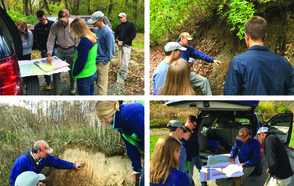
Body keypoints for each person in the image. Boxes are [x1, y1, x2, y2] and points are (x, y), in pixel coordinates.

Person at [224, 16, 294, 95]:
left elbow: (230, 96)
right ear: (265, 36)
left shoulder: (238, 62)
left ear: (246, 36)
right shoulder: (284, 63)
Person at [95, 101, 144, 186]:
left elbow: (145, 139)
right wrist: (137, 168)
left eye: (101, 120)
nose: (103, 122)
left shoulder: (129, 116)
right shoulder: (119, 121)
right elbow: (130, 145)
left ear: (106, 115)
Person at [9, 140, 84, 185]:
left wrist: (73, 165)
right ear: (39, 152)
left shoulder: (45, 158)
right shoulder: (22, 161)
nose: (48, 153)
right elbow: (13, 181)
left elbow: (57, 163)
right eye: (46, 152)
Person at [46, 9, 79, 95]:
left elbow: (77, 39)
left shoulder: (73, 24)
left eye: (64, 20)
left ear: (68, 17)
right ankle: (57, 90)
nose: (62, 22)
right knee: (56, 70)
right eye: (60, 20)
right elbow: (50, 40)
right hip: (59, 50)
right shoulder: (55, 26)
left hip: (71, 49)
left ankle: (73, 87)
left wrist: (76, 53)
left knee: (72, 70)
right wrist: (49, 54)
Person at [88, 11, 115, 95]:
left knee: (102, 86)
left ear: (101, 20)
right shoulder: (95, 30)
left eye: (94, 21)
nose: (92, 23)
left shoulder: (108, 32)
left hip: (102, 63)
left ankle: (103, 104)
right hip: (94, 61)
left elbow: (111, 51)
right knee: (91, 82)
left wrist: (104, 62)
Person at [70, 18, 97, 95]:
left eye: (72, 30)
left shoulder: (84, 41)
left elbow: (82, 62)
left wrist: (74, 72)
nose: (72, 32)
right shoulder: (93, 37)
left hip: (84, 75)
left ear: (77, 30)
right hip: (92, 72)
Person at [34, 10, 57, 91]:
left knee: (55, 66)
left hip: (54, 49)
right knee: (46, 67)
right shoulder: (37, 26)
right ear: (38, 19)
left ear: (46, 16)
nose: (43, 21)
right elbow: (36, 39)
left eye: (43, 19)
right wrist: (41, 49)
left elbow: (57, 35)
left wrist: (56, 46)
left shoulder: (53, 24)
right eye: (41, 20)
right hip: (44, 50)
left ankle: (56, 82)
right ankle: (48, 82)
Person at [17, 19, 40, 95]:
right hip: (19, 53)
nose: (23, 28)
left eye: (24, 27)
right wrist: (22, 45)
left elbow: (29, 44)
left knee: (27, 67)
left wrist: (19, 45)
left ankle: (27, 80)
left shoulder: (29, 33)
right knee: (19, 67)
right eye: (21, 27)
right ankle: (21, 80)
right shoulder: (15, 33)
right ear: (17, 26)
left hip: (27, 53)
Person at [184, 115, 207, 186]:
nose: (194, 127)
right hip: (189, 159)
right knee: (189, 175)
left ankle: (204, 184)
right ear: (189, 122)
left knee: (203, 171)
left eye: (195, 126)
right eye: (193, 125)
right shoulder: (182, 132)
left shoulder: (193, 131)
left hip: (197, 156)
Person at [115, 13, 136, 82]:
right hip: (119, 46)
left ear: (125, 17)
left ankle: (124, 74)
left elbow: (133, 35)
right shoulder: (118, 26)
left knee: (125, 61)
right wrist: (117, 41)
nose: (120, 19)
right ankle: (121, 72)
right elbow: (115, 35)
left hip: (127, 46)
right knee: (120, 60)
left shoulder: (131, 24)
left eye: (121, 17)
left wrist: (124, 42)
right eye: (119, 18)